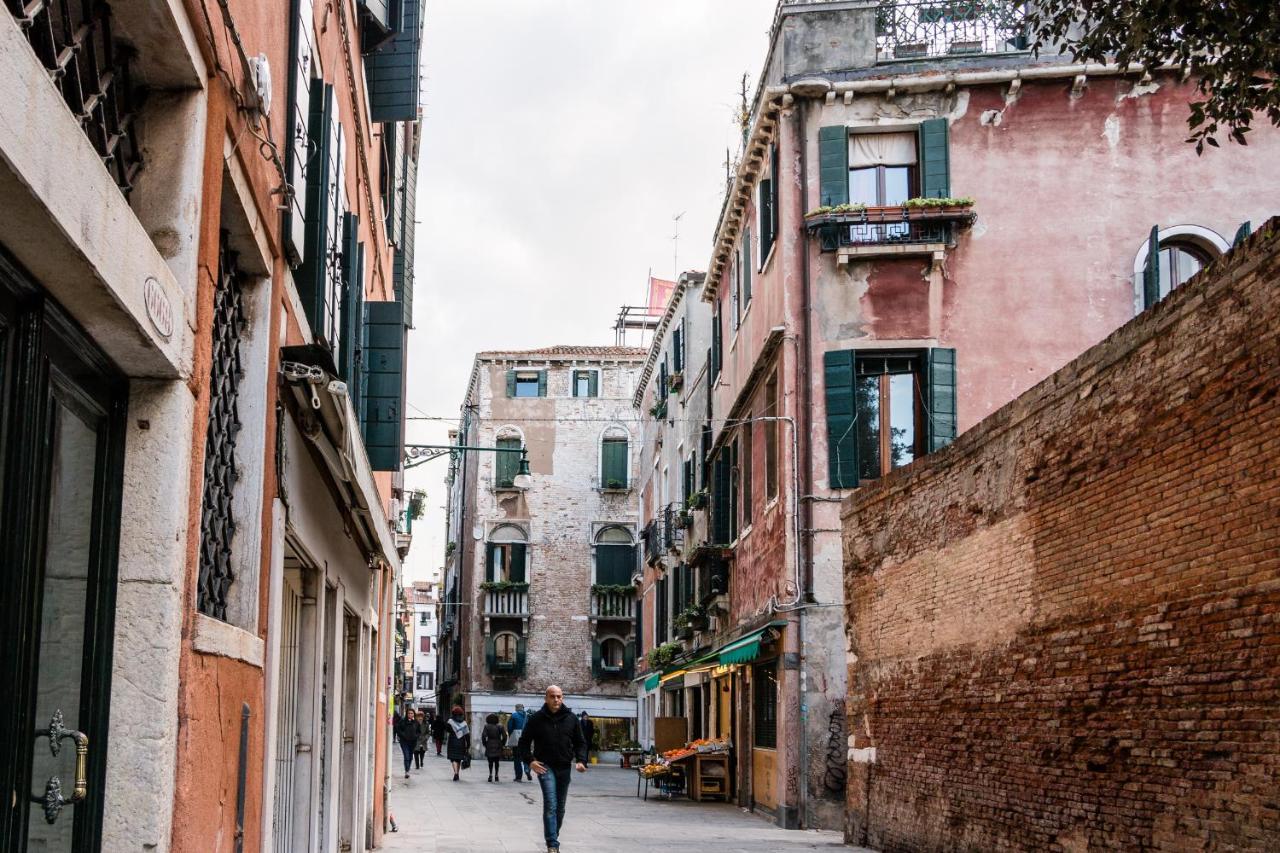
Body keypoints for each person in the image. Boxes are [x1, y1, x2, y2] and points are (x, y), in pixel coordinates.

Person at [518, 685, 587, 853]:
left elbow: (580, 742)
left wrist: (581, 760)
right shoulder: (536, 719)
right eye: (553, 696)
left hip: (564, 767)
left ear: (562, 698)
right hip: (545, 766)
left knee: (560, 808)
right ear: (546, 698)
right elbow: (523, 743)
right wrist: (530, 761)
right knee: (550, 804)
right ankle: (552, 845)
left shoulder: (571, 718)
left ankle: (553, 834)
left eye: (559, 696)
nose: (556, 699)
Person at [445, 705, 471, 781]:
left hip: (452, 741)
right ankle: (457, 773)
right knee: (459, 758)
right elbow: (467, 735)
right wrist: (468, 744)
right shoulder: (464, 723)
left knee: (453, 758)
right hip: (461, 742)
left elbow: (447, 730)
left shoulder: (450, 721)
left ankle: (456, 773)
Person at [394, 710, 422, 779]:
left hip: (413, 742)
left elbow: (419, 732)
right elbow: (398, 729)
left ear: (414, 714)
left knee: (410, 756)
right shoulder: (402, 721)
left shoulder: (416, 722)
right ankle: (407, 771)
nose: (410, 714)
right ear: (407, 714)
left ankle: (408, 769)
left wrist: (416, 736)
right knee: (406, 756)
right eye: (409, 713)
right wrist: (402, 735)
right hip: (404, 742)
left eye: (411, 713)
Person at [507, 703, 531, 781]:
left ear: (516, 708)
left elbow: (510, 727)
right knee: (526, 756)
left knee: (517, 758)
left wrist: (511, 735)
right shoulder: (528, 716)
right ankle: (527, 770)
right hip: (527, 738)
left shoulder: (514, 715)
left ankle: (518, 776)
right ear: (523, 708)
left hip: (517, 739)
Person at [481, 713, 507, 782]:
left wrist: (485, 743)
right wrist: (502, 743)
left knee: (490, 762)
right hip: (498, 744)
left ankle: (490, 774)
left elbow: (484, 736)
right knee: (497, 761)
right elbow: (505, 736)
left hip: (489, 744)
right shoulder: (500, 726)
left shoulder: (487, 726)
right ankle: (496, 775)